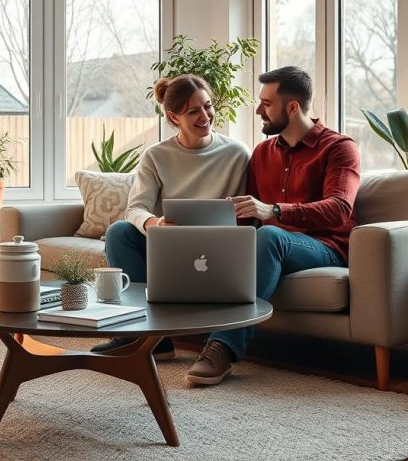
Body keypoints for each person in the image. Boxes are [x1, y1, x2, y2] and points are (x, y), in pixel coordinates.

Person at [184, 66, 361, 386]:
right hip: (272, 244)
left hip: (325, 247)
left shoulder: (339, 147)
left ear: (292, 108)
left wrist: (276, 210)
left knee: (270, 235)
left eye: (266, 103)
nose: (257, 110)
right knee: (256, 237)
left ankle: (221, 348)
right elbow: (247, 217)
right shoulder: (262, 152)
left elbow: (339, 209)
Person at [92, 74, 250, 360]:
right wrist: (156, 224)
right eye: (193, 111)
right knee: (118, 232)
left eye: (208, 106)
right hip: (168, 248)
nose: (206, 116)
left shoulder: (237, 153)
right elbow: (135, 209)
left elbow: (251, 211)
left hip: (218, 251)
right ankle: (151, 339)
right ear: (173, 117)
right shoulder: (156, 155)